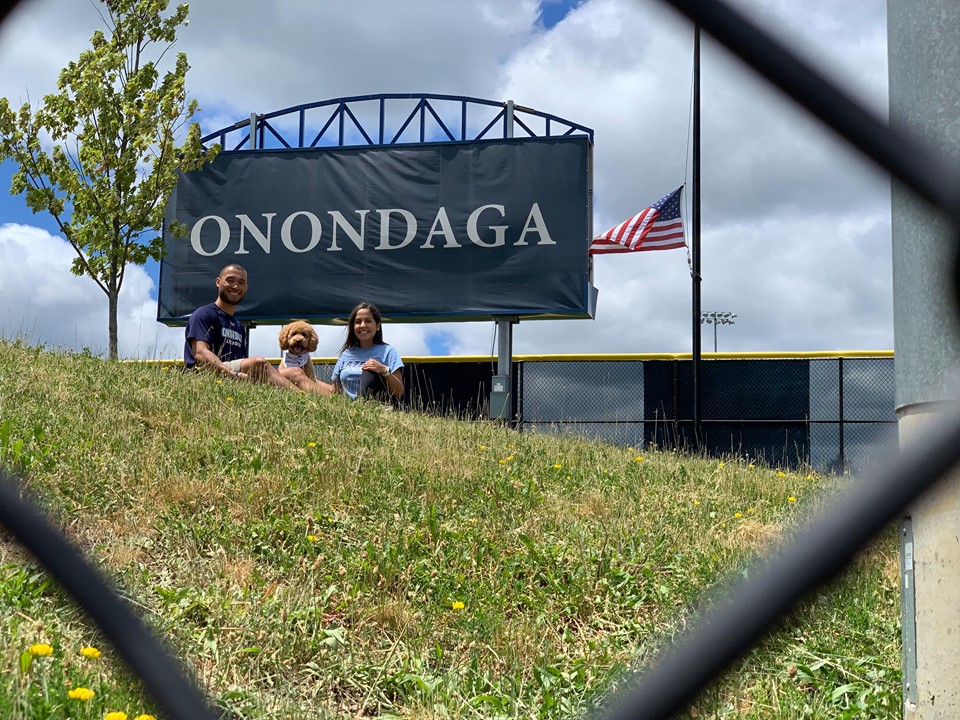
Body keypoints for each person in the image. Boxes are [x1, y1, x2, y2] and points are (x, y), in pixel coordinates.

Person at [183, 263, 298, 390]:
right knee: (258, 363)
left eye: (241, 282)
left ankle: (321, 405)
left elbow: (241, 363)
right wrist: (231, 375)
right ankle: (303, 401)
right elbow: (200, 353)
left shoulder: (238, 325)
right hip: (206, 377)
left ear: (246, 288)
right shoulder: (204, 314)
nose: (236, 286)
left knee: (295, 373)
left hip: (235, 379)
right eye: (230, 280)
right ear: (218, 282)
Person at [331, 302, 404, 401]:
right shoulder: (346, 354)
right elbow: (335, 391)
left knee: (370, 370)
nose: (362, 325)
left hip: (377, 410)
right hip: (350, 412)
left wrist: (384, 370)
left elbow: (399, 392)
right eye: (358, 322)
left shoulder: (388, 351)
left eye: (368, 321)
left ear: (377, 326)